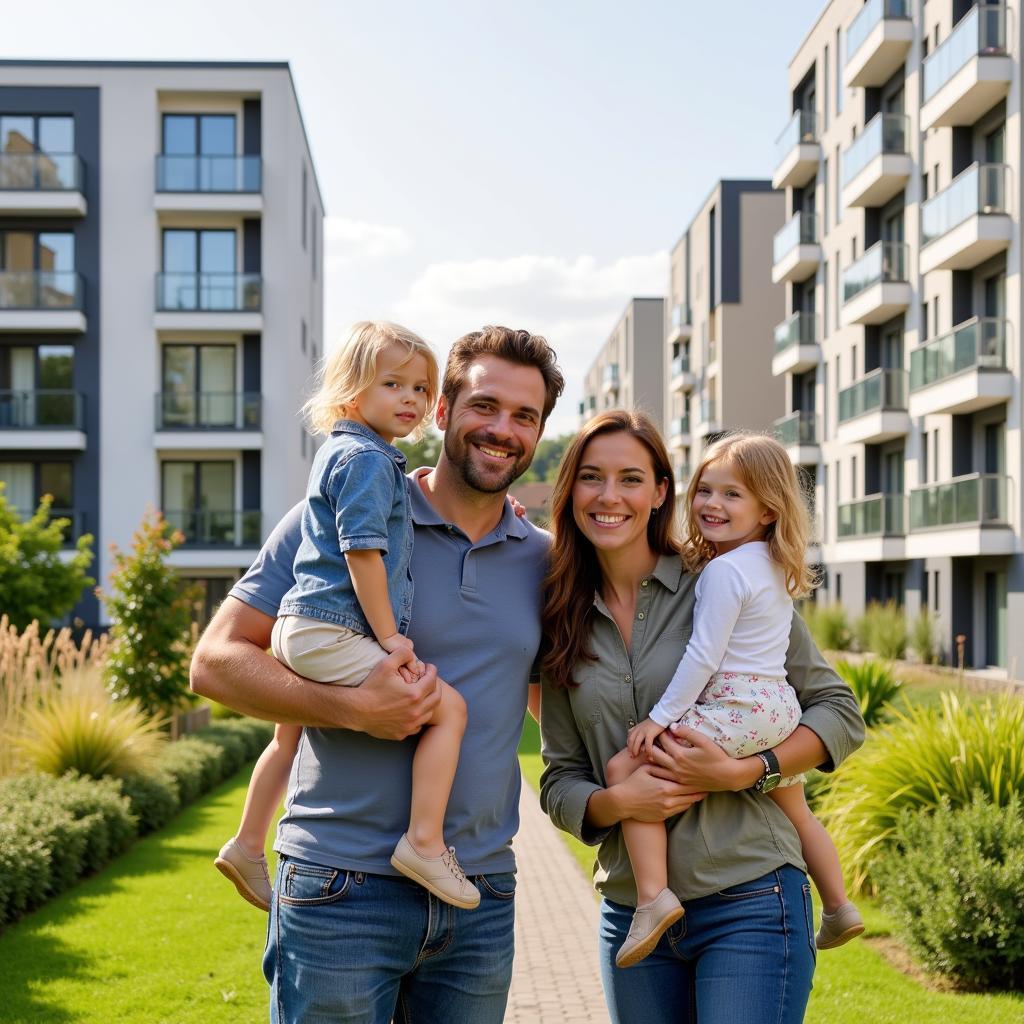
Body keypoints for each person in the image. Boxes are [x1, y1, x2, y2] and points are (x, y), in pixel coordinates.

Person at [191, 325, 564, 1023]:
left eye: (525, 416)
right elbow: (214, 663)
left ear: (540, 431)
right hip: (340, 893)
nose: (502, 429)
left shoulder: (543, 561)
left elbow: (556, 708)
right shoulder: (334, 514)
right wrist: (355, 709)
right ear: (443, 412)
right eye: (484, 406)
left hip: (479, 895)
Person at [538, 410, 865, 1024]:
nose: (610, 496)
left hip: (751, 897)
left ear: (661, 491)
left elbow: (839, 713)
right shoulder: (560, 619)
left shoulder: (719, 579)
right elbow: (559, 779)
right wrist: (619, 803)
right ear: (570, 490)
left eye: (630, 478)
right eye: (591, 477)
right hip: (635, 913)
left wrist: (753, 772)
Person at [215, 321, 480, 914]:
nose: (410, 399)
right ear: (352, 390)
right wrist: (391, 639)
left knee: (288, 731)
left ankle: (247, 843)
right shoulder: (367, 461)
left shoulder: (342, 453)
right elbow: (363, 552)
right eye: (394, 384)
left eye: (419, 388)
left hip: (298, 627)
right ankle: (424, 843)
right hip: (333, 627)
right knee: (451, 709)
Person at [606, 431, 862, 967]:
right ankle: (839, 906)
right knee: (796, 808)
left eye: (732, 495)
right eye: (705, 490)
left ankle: (652, 898)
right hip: (777, 710)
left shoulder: (722, 571)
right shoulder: (770, 563)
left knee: (624, 766)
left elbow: (702, 656)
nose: (711, 505)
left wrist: (660, 718)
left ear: (768, 510)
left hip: (738, 704)